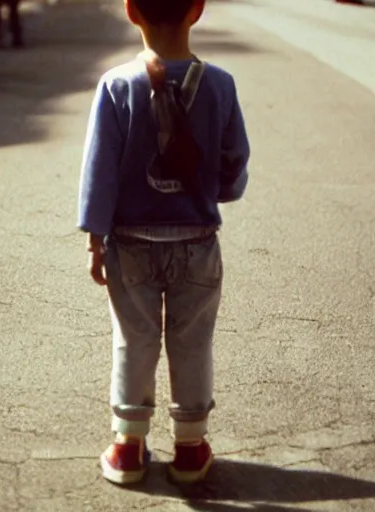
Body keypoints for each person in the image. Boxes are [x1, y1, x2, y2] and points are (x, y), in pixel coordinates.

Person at [77, 0, 250, 486]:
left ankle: (127, 446)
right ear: (197, 10)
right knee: (192, 342)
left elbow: (100, 171)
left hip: (129, 242)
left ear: (132, 11)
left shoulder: (116, 85)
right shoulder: (220, 84)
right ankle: (190, 448)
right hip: (197, 241)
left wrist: (95, 239)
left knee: (134, 339)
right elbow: (234, 161)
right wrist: (216, 191)